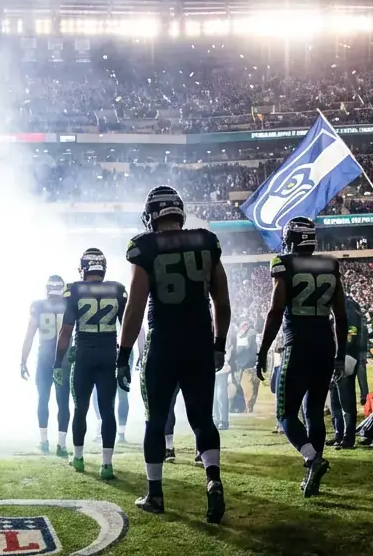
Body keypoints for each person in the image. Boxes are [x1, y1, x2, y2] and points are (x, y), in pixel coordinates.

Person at [118, 186, 231, 520]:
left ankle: (155, 494)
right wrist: (219, 344)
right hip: (200, 342)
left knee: (155, 420)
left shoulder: (145, 245)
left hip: (163, 344)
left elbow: (135, 306)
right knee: (203, 418)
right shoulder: (206, 241)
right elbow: (222, 302)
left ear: (151, 216)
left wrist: (123, 354)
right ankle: (213, 480)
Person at [257, 216, 348, 498]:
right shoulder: (330, 265)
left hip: (298, 344)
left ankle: (312, 459)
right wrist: (341, 354)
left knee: (285, 413)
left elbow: (275, 311)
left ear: (290, 240)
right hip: (325, 344)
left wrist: (263, 349)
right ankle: (313, 478)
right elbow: (341, 315)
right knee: (314, 412)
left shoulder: (284, 263)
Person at [55, 248, 127, 480]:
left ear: (84, 268)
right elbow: (127, 328)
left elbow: (66, 331)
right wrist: (124, 359)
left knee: (81, 409)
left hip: (84, 356)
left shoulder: (74, 290)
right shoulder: (117, 289)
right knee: (107, 411)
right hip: (108, 356)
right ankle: (107, 464)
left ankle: (78, 458)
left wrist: (57, 362)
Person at [22, 275, 69, 455]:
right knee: (63, 402)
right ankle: (62, 445)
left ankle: (43, 441)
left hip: (44, 359)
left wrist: (23, 360)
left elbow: (29, 335)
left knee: (43, 399)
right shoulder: (68, 305)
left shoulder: (39, 306)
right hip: (63, 360)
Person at [328, 294, 365, 449]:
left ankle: (347, 437)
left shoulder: (348, 308)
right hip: (336, 356)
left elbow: (351, 334)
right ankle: (339, 434)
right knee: (335, 398)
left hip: (346, 357)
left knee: (345, 398)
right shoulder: (340, 306)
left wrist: (341, 354)